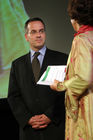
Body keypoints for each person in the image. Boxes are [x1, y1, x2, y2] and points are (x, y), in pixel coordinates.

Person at [7, 17, 68, 140]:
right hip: (29, 131)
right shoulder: (16, 64)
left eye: (41, 31)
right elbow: (13, 96)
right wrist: (28, 119)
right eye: (33, 32)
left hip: (56, 129)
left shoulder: (62, 59)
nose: (38, 35)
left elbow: (66, 92)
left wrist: (50, 115)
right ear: (26, 37)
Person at [50, 0, 93, 140]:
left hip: (88, 105)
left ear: (75, 18)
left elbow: (84, 78)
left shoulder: (82, 39)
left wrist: (60, 85)